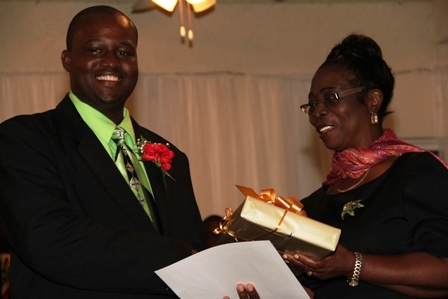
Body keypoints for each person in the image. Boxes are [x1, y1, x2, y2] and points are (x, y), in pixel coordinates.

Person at [0, 5, 257, 299]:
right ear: (68, 60)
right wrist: (182, 258)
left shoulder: (171, 156)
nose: (111, 62)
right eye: (95, 50)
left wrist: (227, 283)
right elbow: (48, 240)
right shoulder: (25, 139)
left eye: (125, 53)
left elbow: (192, 250)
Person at [281, 34, 448, 298]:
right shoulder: (312, 205)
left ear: (372, 100)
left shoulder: (415, 171)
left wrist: (352, 264)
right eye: (312, 104)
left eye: (330, 98)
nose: (317, 112)